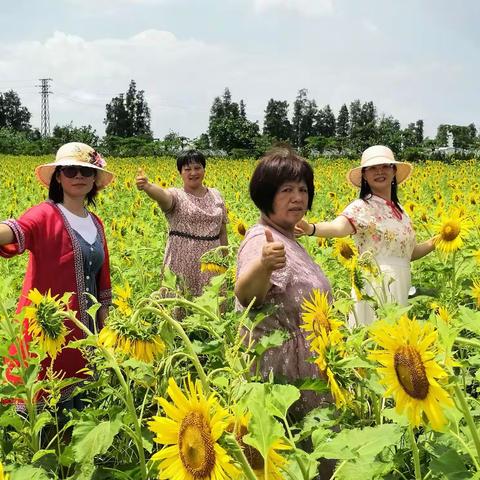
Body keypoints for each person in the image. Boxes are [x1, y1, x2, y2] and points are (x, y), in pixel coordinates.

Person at [0, 142, 114, 406]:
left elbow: (103, 286)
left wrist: (109, 337)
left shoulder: (96, 223)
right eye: (71, 170)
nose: (78, 177)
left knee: (83, 410)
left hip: (88, 333)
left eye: (86, 172)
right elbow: (17, 229)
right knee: (46, 408)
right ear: (59, 177)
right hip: (49, 331)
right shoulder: (45, 214)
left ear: (94, 179)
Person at [235, 146, 332, 419]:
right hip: (282, 384)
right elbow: (247, 296)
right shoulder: (263, 240)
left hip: (303, 376)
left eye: (302, 190)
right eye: (286, 190)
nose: (297, 198)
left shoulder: (288, 238)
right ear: (267, 195)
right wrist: (264, 265)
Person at [296, 145, 436, 326]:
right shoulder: (361, 206)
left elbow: (408, 254)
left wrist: (435, 242)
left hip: (401, 280)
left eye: (385, 166)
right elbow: (338, 227)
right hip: (374, 283)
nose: (379, 171)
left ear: (393, 171)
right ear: (364, 175)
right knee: (373, 333)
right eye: (372, 168)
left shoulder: (401, 212)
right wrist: (311, 229)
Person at [135, 149, 228, 296]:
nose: (193, 173)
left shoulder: (216, 195)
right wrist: (147, 186)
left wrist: (225, 259)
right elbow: (163, 197)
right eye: (187, 169)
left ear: (204, 170)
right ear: (180, 172)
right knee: (180, 303)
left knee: (212, 305)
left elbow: (222, 230)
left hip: (212, 263)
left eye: (197, 168)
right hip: (181, 262)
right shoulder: (176, 195)